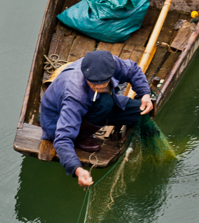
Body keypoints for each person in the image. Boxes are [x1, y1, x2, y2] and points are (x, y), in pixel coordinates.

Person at [40, 49, 152, 188]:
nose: (98, 87)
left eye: (103, 83)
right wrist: (78, 169)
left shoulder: (111, 63)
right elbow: (62, 138)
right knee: (105, 102)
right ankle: (80, 137)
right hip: (56, 122)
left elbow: (133, 70)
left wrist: (145, 94)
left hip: (95, 104)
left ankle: (101, 113)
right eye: (93, 83)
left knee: (140, 112)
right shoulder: (74, 95)